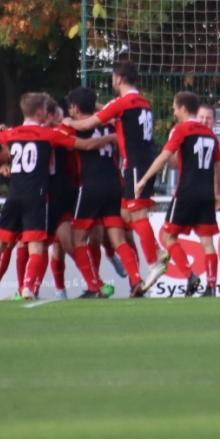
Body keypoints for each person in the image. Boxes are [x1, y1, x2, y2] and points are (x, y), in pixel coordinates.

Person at [0, 93, 113, 301]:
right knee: (35, 247)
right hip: (38, 197)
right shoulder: (49, 135)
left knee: (1, 245)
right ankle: (26, 288)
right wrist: (113, 138)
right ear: (41, 112)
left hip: (19, 196)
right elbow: (85, 145)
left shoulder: (12, 133)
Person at [62, 61, 168, 291]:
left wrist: (69, 121)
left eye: (112, 77)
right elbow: (113, 115)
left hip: (132, 166)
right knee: (125, 217)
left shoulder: (121, 103)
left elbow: (87, 124)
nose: (112, 81)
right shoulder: (142, 102)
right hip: (139, 165)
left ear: (118, 78)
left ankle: (153, 261)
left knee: (136, 213)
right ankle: (147, 263)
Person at [135, 91, 220, 297]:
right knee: (207, 242)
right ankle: (211, 287)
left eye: (175, 108)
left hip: (186, 192)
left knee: (167, 236)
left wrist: (144, 179)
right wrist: (217, 192)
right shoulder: (210, 133)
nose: (174, 112)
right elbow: (219, 167)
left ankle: (189, 275)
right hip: (206, 194)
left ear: (183, 108)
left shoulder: (181, 130)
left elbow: (164, 158)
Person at [67, 86, 146, 298]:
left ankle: (95, 287)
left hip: (90, 187)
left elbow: (80, 144)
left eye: (70, 108)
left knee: (77, 239)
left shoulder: (73, 127)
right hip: (113, 185)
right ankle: (136, 280)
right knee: (118, 238)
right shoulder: (109, 123)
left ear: (75, 108)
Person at [198, 104, 220, 183]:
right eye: (201, 117)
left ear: (215, 121)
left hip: (214, 189)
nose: (204, 121)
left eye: (208, 118)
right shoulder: (188, 141)